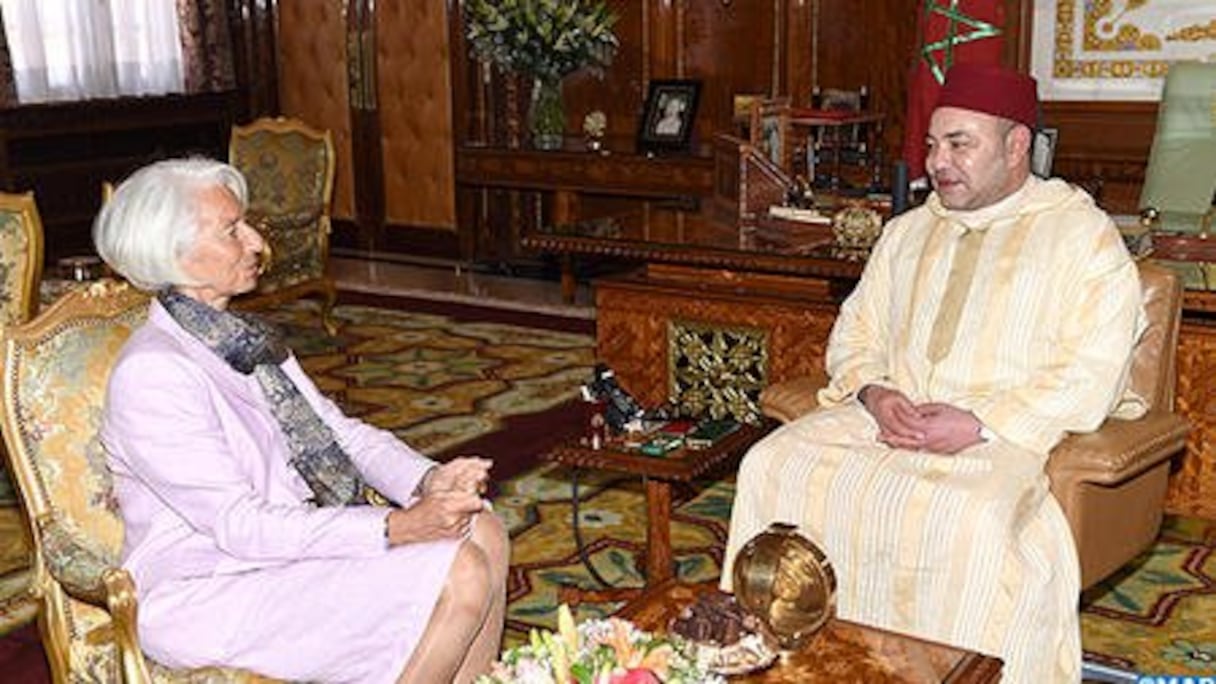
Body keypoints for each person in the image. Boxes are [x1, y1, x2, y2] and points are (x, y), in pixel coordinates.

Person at [720, 63, 1145, 683]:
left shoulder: (1082, 237)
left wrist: (979, 422)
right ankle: (786, 663)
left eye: (959, 144)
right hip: (887, 421)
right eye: (932, 145)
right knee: (770, 464)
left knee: (965, 518)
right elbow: (856, 333)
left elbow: (1093, 369)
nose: (937, 162)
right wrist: (874, 391)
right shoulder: (907, 232)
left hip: (997, 438)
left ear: (1016, 144)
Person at [95, 157, 508, 683]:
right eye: (232, 230)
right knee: (460, 571)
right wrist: (394, 526)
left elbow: (339, 434)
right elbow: (240, 526)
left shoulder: (243, 338)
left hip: (280, 555)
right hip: (208, 587)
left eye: (248, 225)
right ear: (172, 252)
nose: (257, 244)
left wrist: (429, 481)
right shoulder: (154, 373)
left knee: (484, 528)